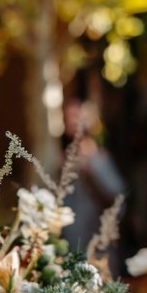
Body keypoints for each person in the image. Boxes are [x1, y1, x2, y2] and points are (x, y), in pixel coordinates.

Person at [61, 99, 126, 264]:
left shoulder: (99, 158)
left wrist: (91, 177)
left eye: (76, 116)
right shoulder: (63, 159)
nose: (71, 121)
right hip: (70, 243)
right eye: (68, 117)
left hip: (96, 243)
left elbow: (116, 200)